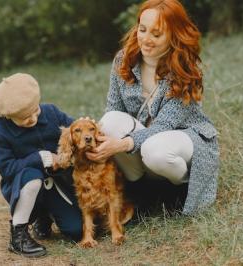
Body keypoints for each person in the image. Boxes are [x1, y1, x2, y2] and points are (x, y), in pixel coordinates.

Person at [86, 0, 219, 215]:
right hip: (140, 141)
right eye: (142, 29)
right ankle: (141, 192)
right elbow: (113, 109)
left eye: (156, 34)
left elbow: (163, 127)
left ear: (174, 35)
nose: (146, 40)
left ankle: (179, 190)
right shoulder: (123, 60)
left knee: (155, 149)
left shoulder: (186, 68)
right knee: (109, 121)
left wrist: (121, 145)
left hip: (181, 138)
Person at [0, 73, 82, 257]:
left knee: (76, 230)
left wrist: (85, 129)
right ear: (8, 116)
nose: (32, 119)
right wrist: (40, 158)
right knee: (32, 176)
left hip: (57, 184)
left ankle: (46, 217)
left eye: (34, 111)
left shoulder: (51, 112)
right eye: (23, 118)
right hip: (24, 186)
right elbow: (7, 170)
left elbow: (74, 129)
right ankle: (18, 235)